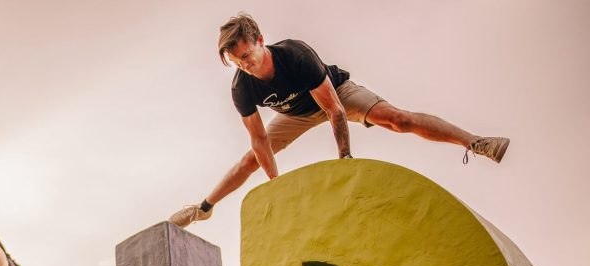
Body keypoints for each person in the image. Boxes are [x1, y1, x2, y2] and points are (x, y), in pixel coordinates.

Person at [168, 13, 510, 228]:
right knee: (248, 160)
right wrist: (277, 184)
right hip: (295, 115)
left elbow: (334, 109)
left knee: (397, 119)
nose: (245, 65)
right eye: (237, 62)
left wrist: (344, 157)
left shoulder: (295, 56)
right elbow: (259, 141)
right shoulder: (241, 87)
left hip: (335, 94)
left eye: (246, 56)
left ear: (259, 40)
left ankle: (475, 142)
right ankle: (203, 208)